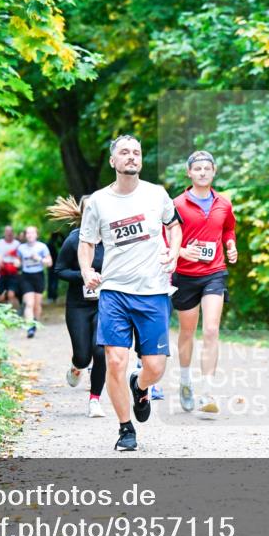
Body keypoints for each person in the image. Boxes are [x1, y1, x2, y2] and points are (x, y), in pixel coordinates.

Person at [79, 134, 182, 451]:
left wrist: (174, 253)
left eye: (136, 152)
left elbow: (174, 226)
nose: (131, 157)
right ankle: (126, 429)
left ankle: (140, 386)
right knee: (114, 362)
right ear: (113, 161)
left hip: (153, 292)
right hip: (115, 292)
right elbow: (87, 242)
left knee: (155, 367)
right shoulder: (98, 201)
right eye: (124, 152)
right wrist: (87, 271)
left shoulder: (157, 194)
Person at [172, 150, 238, 415]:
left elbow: (228, 229)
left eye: (206, 168)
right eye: (197, 168)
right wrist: (180, 252)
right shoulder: (177, 204)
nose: (202, 172)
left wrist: (231, 245)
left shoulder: (224, 203)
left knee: (211, 330)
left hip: (214, 272)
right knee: (187, 332)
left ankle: (207, 390)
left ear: (214, 171)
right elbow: (164, 238)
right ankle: (186, 381)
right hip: (185, 275)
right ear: (189, 173)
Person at [48, 196, 107, 418]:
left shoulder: (111, 239)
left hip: (105, 304)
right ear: (84, 214)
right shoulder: (74, 240)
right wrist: (84, 276)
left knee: (100, 351)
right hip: (78, 306)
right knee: (83, 356)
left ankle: (95, 400)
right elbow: (59, 270)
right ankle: (76, 366)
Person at [17, 226, 52, 338]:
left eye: (32, 233)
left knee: (37, 305)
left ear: (36, 235)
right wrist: (16, 263)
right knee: (29, 303)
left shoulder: (42, 247)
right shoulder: (21, 248)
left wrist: (39, 259)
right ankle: (30, 328)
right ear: (25, 235)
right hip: (26, 277)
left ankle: (35, 321)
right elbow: (18, 261)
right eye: (28, 233)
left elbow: (49, 263)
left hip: (38, 276)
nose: (30, 235)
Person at [0, 226, 22, 312]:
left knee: (11, 294)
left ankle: (12, 312)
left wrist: (18, 263)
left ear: (13, 233)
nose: (9, 233)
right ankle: (3, 312)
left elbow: (21, 258)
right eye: (7, 232)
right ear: (4, 233)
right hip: (1, 272)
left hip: (13, 273)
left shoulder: (17, 244)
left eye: (10, 231)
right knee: (1, 295)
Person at [46, 230, 64, 303]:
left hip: (56, 265)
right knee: (52, 282)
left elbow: (64, 241)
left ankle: (53, 297)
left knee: (54, 282)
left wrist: (60, 234)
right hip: (51, 265)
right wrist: (60, 234)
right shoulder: (50, 244)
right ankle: (51, 297)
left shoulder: (56, 244)